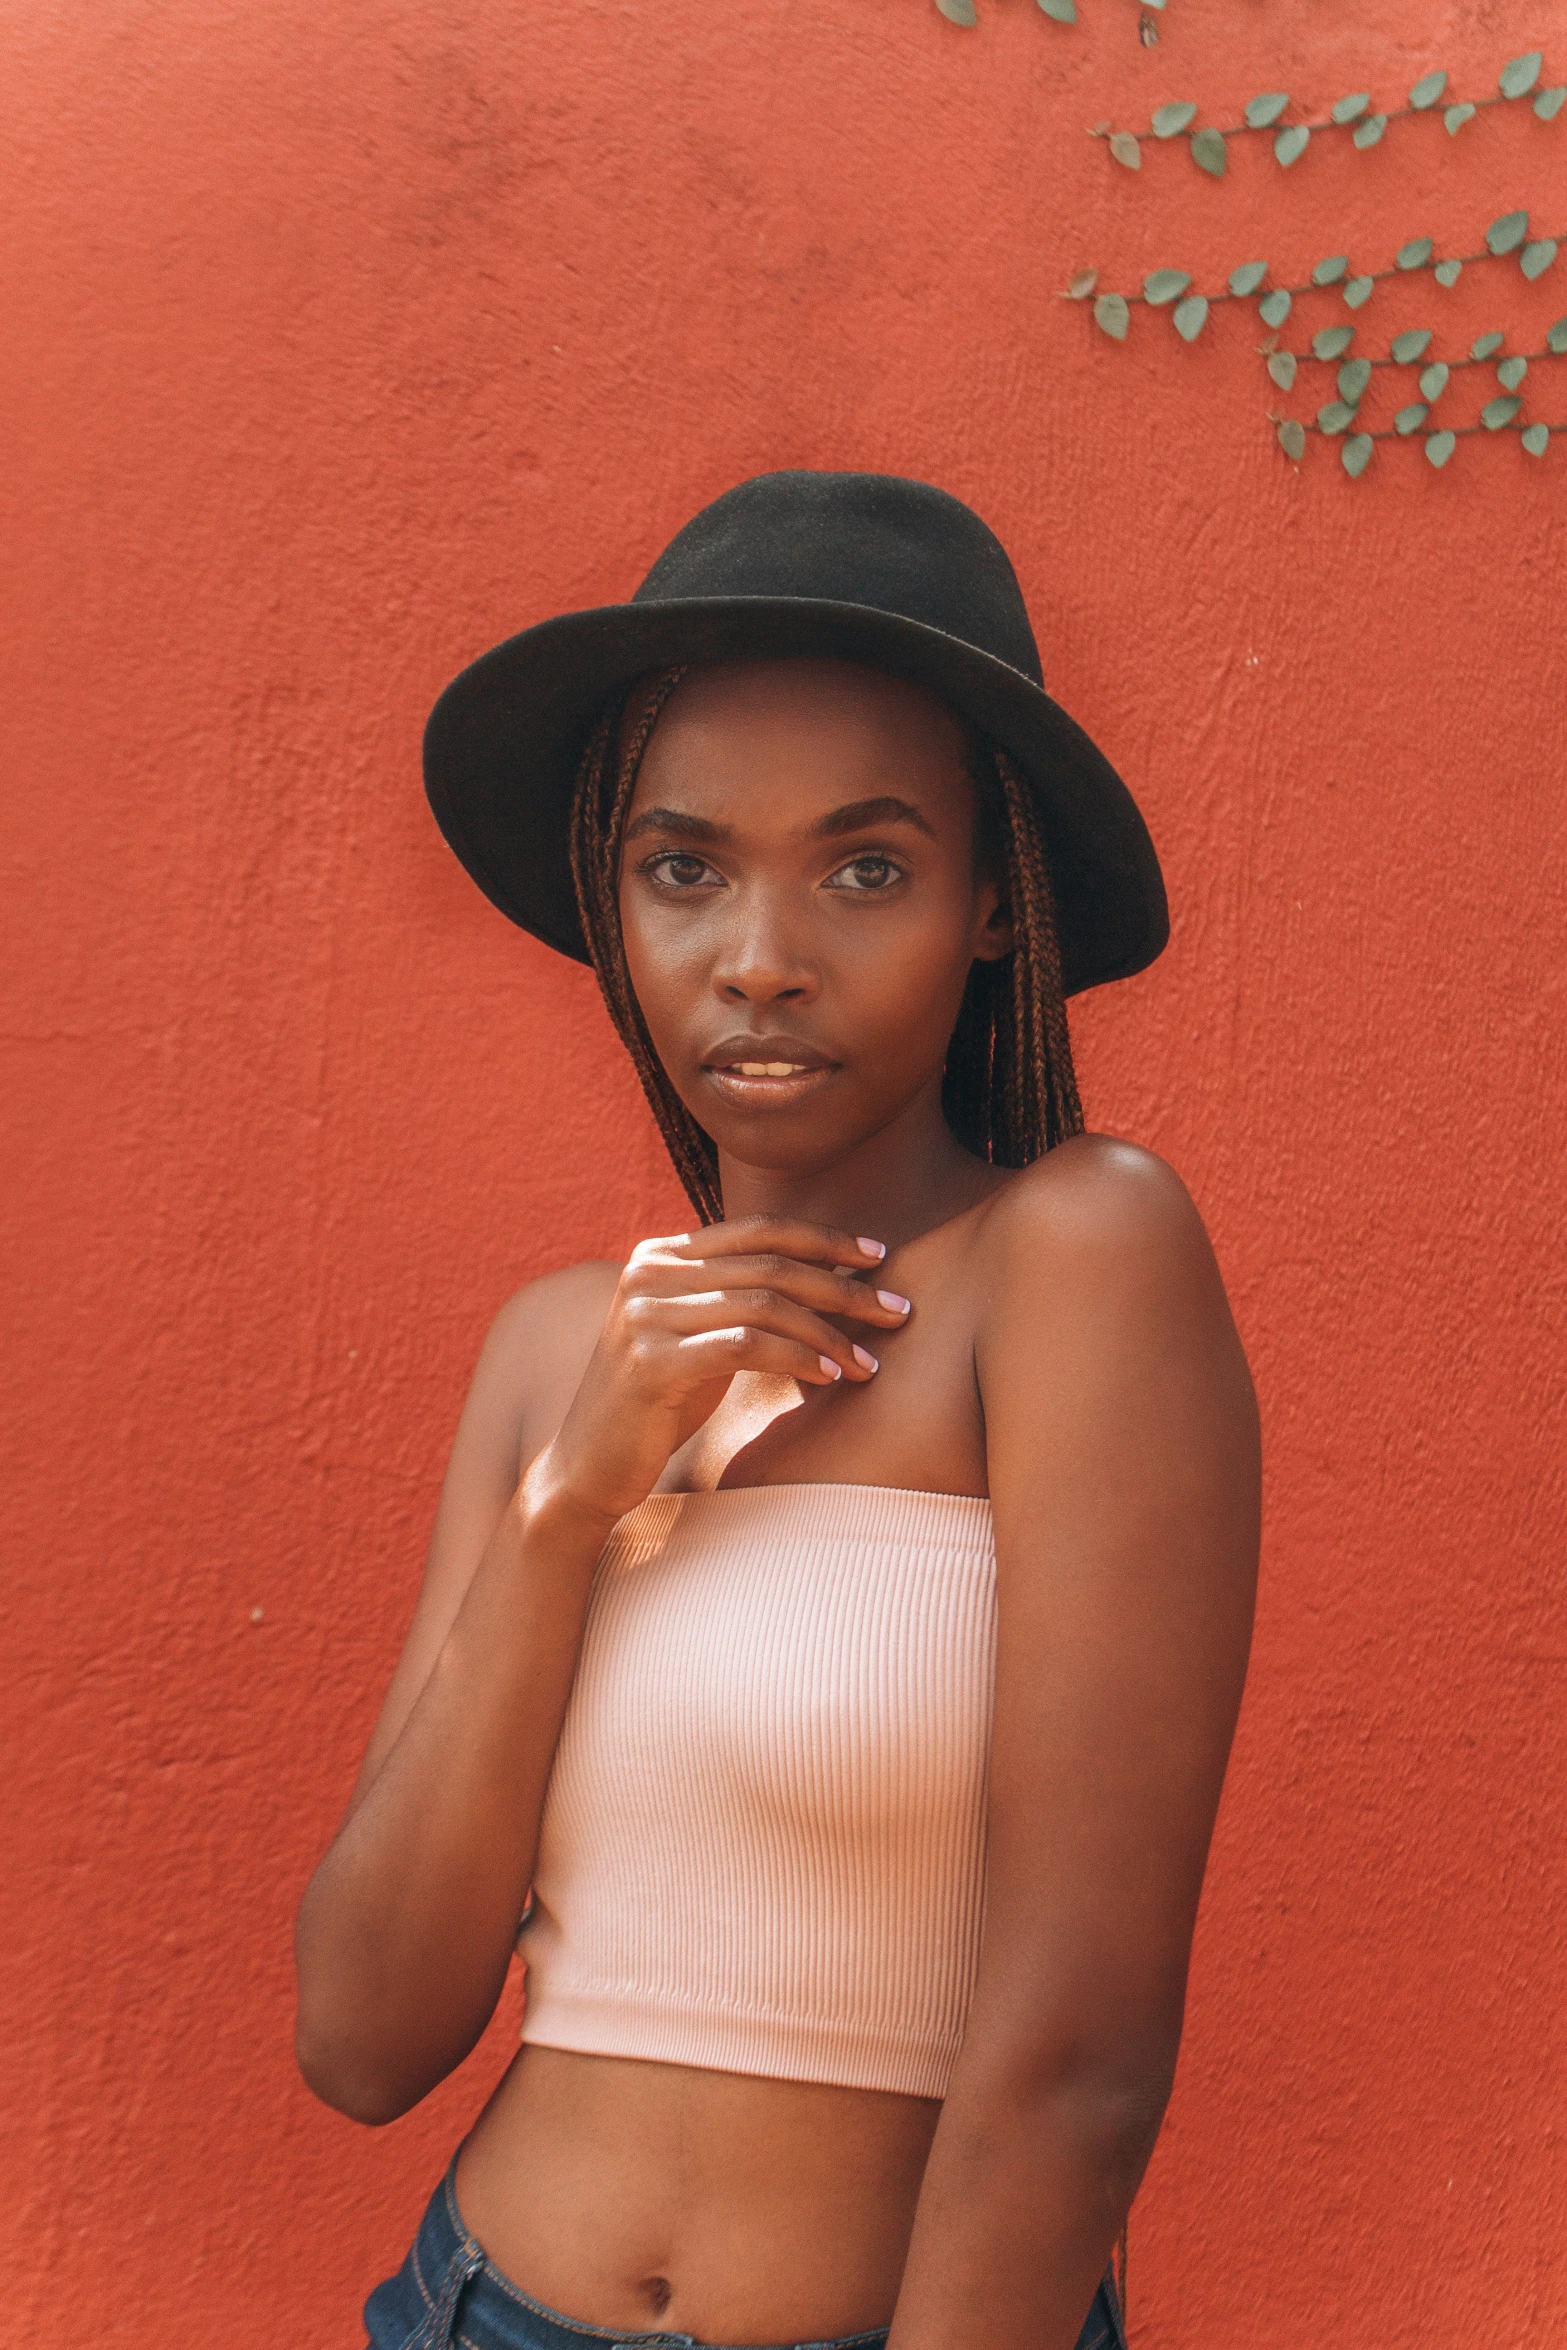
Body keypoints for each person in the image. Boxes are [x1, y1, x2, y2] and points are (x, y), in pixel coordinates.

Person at [294, 470, 1261, 2350]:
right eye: (684, 868)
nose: (758, 954)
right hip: (473, 2310)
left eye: (866, 866)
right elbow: (362, 2031)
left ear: (992, 905)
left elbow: (1080, 2065)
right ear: (615, 897)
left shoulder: (1075, 1259)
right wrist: (569, 1504)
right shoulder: (559, 1346)